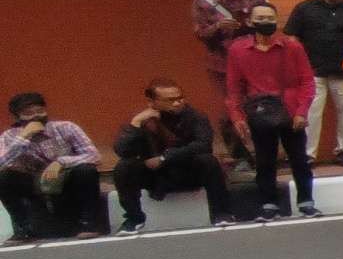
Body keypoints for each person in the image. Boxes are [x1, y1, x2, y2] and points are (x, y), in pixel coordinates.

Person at [225, 1, 318, 220]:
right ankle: (268, 204)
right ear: (249, 21)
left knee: (299, 159)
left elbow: (307, 81)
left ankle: (306, 202)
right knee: (265, 160)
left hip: (290, 109)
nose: (265, 22)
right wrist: (237, 117)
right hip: (259, 111)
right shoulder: (238, 50)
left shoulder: (292, 47)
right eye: (260, 18)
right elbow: (234, 87)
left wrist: (301, 112)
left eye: (269, 18)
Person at [108, 79, 233, 232]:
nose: (177, 103)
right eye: (170, 100)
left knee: (208, 161)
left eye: (180, 98)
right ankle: (134, 218)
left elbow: (203, 144)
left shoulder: (195, 117)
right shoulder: (144, 120)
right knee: (124, 167)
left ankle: (221, 213)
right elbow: (122, 150)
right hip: (156, 176)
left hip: (186, 171)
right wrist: (135, 123)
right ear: (151, 101)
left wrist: (165, 158)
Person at [284, 0, 343, 166]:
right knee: (311, 113)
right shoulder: (304, 9)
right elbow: (292, 37)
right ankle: (307, 154)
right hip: (312, 72)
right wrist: (298, 63)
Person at [190, 0, 262, 170]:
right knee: (228, 111)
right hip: (221, 64)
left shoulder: (251, 1)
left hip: (251, 63)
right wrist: (218, 28)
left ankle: (262, 154)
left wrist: (245, 25)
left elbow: (264, 27)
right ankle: (239, 155)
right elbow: (200, 34)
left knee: (258, 108)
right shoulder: (203, 4)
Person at [2, 92, 106, 241]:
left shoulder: (66, 127)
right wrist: (23, 137)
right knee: (4, 178)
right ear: (17, 117)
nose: (36, 117)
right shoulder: (9, 136)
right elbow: (2, 163)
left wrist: (61, 162)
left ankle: (89, 224)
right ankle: (23, 229)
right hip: (34, 182)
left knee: (86, 170)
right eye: (28, 114)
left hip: (67, 179)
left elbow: (94, 156)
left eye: (40, 111)